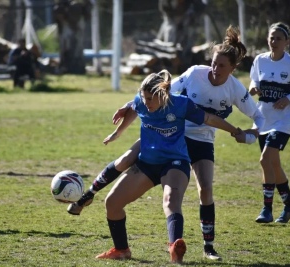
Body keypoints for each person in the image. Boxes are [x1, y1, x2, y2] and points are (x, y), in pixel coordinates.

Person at [68, 25, 265, 260]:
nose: (215, 69)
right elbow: (150, 94)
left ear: (233, 68)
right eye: (213, 63)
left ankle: (205, 247)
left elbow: (243, 117)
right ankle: (90, 197)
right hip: (169, 136)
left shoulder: (232, 90)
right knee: (125, 161)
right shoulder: (191, 76)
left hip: (199, 141)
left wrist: (247, 134)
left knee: (203, 190)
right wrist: (121, 122)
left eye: (222, 65)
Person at [94, 70, 243, 263]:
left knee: (171, 201)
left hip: (175, 161)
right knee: (112, 202)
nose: (145, 102)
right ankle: (121, 250)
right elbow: (133, 107)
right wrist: (116, 133)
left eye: (150, 98)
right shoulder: (141, 101)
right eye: (143, 97)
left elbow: (208, 118)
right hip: (148, 163)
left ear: (162, 96)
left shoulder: (180, 103)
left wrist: (235, 130)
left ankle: (175, 247)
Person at [249, 22, 290, 224]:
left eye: (278, 38)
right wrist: (254, 88)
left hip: (285, 119)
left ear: (287, 42)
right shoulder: (260, 60)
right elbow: (253, 80)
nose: (274, 42)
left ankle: (267, 209)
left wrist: (289, 98)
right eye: (271, 38)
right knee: (272, 163)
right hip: (264, 117)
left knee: (266, 159)